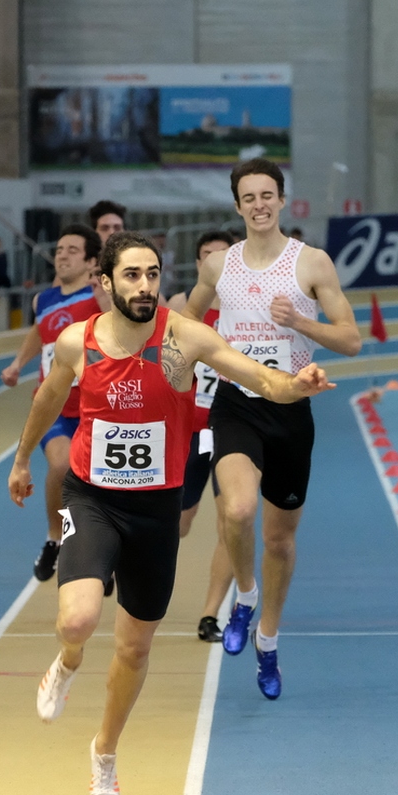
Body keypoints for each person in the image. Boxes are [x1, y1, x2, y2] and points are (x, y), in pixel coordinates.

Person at [9, 231, 333, 795]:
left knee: (134, 648)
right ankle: (68, 661)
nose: (144, 286)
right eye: (131, 275)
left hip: (156, 509)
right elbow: (49, 399)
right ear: (106, 282)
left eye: (153, 274)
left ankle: (104, 753)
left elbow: (260, 379)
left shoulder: (185, 338)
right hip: (92, 498)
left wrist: (295, 386)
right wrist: (21, 460)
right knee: (78, 620)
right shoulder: (77, 341)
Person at [180, 157, 361, 697]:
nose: (259, 205)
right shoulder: (219, 267)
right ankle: (244, 595)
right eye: (249, 198)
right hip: (236, 404)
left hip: (291, 410)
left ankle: (269, 640)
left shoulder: (312, 263)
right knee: (236, 509)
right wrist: (187, 359)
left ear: (281, 200)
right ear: (237, 206)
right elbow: (185, 323)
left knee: (279, 540)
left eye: (267, 195)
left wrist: (301, 322)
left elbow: (351, 339)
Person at [1, 225, 103, 581]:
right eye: (60, 249)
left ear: (91, 261)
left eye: (73, 250)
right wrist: (18, 363)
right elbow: (38, 332)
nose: (63, 255)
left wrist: (103, 294)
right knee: (61, 466)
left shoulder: (100, 296)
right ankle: (55, 538)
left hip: (95, 406)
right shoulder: (42, 300)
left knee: (97, 480)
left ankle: (98, 546)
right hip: (54, 406)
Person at [168, 229, 236, 643]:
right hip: (190, 430)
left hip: (234, 427)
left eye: (223, 255)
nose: (216, 263)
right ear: (197, 265)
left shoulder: (250, 307)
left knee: (233, 520)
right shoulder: (181, 307)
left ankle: (210, 615)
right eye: (208, 256)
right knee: (179, 522)